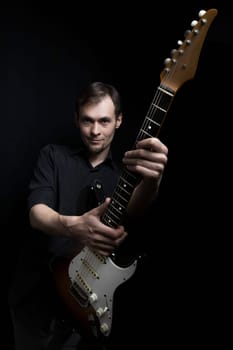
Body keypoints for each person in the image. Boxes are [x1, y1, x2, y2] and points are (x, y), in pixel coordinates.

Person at [8, 81, 168, 350]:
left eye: (104, 121)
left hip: (88, 310)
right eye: (87, 121)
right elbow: (36, 213)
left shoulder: (123, 179)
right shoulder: (53, 156)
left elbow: (135, 212)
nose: (95, 131)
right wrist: (74, 226)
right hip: (37, 304)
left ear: (118, 120)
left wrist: (153, 182)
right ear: (76, 119)